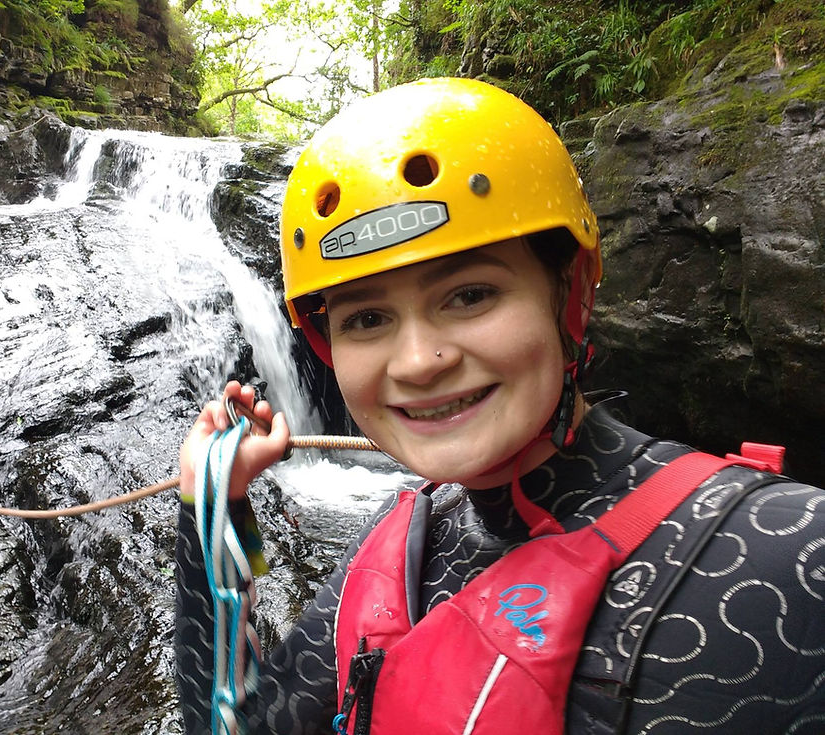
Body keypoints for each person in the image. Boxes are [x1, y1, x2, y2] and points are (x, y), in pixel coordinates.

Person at [174, 78, 825, 734]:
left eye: (469, 295)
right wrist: (211, 501)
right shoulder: (391, 550)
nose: (417, 361)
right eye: (367, 317)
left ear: (570, 293)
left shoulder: (796, 552)